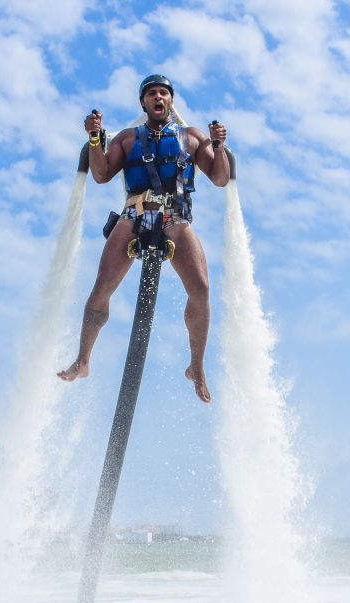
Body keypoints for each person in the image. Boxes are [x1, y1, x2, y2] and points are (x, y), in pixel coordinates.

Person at [57, 74, 230, 403]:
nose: (158, 97)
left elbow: (220, 178)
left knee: (202, 288)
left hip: (175, 216)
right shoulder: (125, 138)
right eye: (152, 93)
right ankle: (83, 360)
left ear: (171, 100)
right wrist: (95, 138)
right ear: (143, 102)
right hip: (135, 212)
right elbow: (101, 174)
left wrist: (218, 145)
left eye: (163, 93)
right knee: (102, 286)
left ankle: (196, 366)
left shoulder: (192, 136)